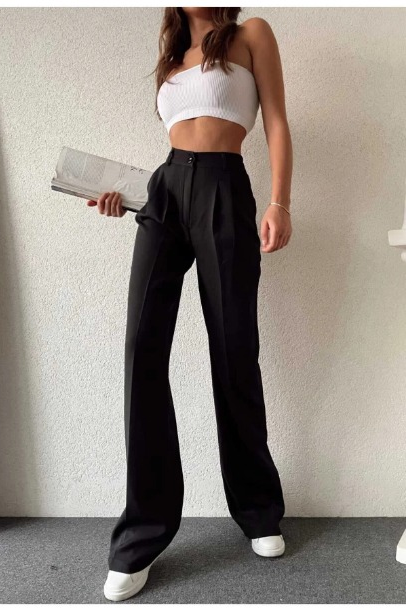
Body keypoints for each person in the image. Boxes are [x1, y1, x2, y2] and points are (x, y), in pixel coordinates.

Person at [88, 8, 293, 602]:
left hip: (225, 184)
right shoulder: (172, 55)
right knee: (141, 350)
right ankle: (141, 536)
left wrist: (280, 201)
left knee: (234, 347)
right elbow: (176, 144)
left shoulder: (251, 34)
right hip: (164, 189)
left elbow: (277, 119)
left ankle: (258, 509)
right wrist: (120, 195)